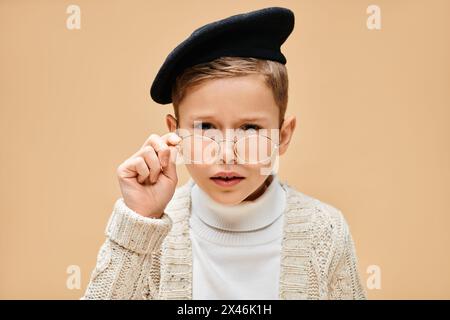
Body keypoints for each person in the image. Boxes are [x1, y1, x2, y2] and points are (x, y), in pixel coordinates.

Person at [82, 6, 367, 300]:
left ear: (283, 136)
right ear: (175, 133)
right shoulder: (149, 234)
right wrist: (139, 224)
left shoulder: (325, 231)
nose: (228, 155)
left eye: (250, 128)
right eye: (206, 127)